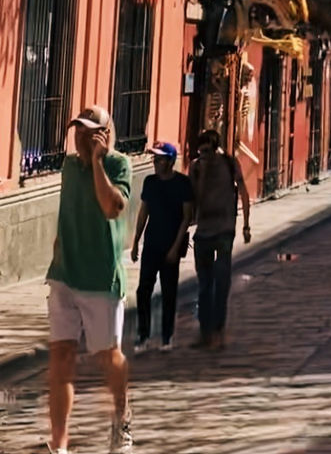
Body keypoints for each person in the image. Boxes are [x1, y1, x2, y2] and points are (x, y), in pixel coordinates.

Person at [46, 105, 134, 454]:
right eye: (77, 131)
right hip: (64, 276)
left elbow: (111, 207)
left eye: (87, 131)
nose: (79, 137)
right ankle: (60, 442)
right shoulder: (68, 166)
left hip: (101, 279)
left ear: (104, 134)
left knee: (108, 356)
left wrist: (98, 161)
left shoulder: (118, 165)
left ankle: (121, 416)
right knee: (61, 357)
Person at [189, 129, 251, 349]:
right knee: (204, 285)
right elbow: (194, 199)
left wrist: (246, 224)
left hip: (225, 230)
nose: (206, 154)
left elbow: (243, 191)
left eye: (209, 150)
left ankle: (218, 331)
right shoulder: (196, 168)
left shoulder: (229, 163)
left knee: (222, 282)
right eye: (202, 151)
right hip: (203, 231)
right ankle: (205, 331)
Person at [131, 141, 193, 353]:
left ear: (170, 161)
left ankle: (167, 335)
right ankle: (143, 334)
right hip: (151, 244)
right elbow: (143, 212)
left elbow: (187, 217)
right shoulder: (150, 182)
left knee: (169, 293)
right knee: (143, 291)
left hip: (170, 245)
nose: (156, 163)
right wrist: (135, 241)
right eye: (154, 159)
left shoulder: (182, 184)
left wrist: (176, 247)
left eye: (160, 159)